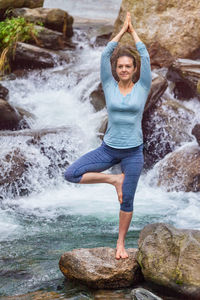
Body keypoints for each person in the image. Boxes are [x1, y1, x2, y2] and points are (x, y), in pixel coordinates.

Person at [64, 12, 152, 259]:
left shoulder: (143, 86)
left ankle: (120, 244)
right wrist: (120, 33)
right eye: (121, 66)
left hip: (134, 151)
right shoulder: (109, 85)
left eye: (128, 66)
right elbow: (104, 55)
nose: (124, 69)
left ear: (135, 69)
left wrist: (133, 32)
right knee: (71, 174)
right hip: (109, 148)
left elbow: (145, 55)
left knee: (128, 201)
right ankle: (114, 180)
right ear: (116, 69)